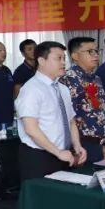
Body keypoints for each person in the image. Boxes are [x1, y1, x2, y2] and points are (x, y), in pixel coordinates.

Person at [14, 41, 87, 181]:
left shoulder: (62, 88)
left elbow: (71, 121)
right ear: (41, 61)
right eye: (58, 58)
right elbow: (31, 129)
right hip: (39, 156)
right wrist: (58, 152)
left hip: (64, 155)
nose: (63, 62)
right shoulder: (31, 89)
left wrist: (77, 146)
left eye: (64, 58)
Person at [59, 36, 105, 163]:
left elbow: (99, 111)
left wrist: (101, 143)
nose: (95, 55)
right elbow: (68, 117)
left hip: (97, 142)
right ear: (75, 56)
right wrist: (75, 146)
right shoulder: (69, 78)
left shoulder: (96, 78)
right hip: (80, 144)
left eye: (97, 51)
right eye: (90, 51)